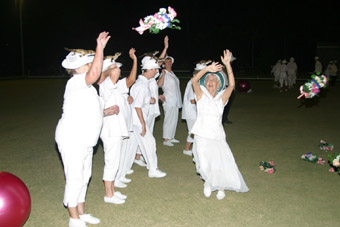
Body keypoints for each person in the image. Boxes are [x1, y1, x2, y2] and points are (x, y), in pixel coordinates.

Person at [55, 32, 110, 227]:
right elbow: (95, 74)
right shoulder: (76, 82)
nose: (91, 66)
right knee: (75, 177)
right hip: (72, 138)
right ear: (77, 68)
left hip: (84, 139)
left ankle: (81, 212)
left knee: (85, 176)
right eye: (87, 63)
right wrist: (100, 48)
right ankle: (74, 218)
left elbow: (98, 75)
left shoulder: (86, 87)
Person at [191, 49, 249, 200]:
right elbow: (194, 81)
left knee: (219, 163)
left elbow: (231, 86)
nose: (210, 82)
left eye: (214, 80)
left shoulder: (221, 98)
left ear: (218, 85)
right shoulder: (201, 95)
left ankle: (220, 187)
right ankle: (209, 183)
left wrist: (228, 65)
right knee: (204, 165)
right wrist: (207, 69)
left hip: (217, 135)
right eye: (209, 79)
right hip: (202, 135)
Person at [97, 48, 137, 204]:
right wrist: (108, 68)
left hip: (117, 128)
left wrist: (134, 60)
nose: (117, 69)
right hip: (110, 129)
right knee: (111, 161)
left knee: (115, 161)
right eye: (113, 66)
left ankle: (112, 190)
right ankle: (109, 195)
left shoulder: (115, 85)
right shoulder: (106, 85)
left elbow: (131, 80)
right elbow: (114, 72)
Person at [130, 56, 167, 178]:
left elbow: (139, 100)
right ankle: (152, 169)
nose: (157, 71)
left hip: (136, 120)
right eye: (155, 69)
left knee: (131, 147)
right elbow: (137, 106)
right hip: (138, 120)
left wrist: (149, 99)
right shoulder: (141, 85)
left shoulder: (142, 83)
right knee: (150, 143)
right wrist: (143, 124)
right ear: (149, 69)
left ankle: (122, 172)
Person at [157, 47, 182, 147]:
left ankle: (171, 136)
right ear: (164, 64)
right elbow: (159, 84)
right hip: (169, 99)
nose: (169, 63)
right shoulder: (164, 73)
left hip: (176, 100)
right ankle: (166, 138)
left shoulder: (172, 73)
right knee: (168, 119)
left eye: (170, 61)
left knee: (174, 119)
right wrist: (162, 74)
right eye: (167, 62)